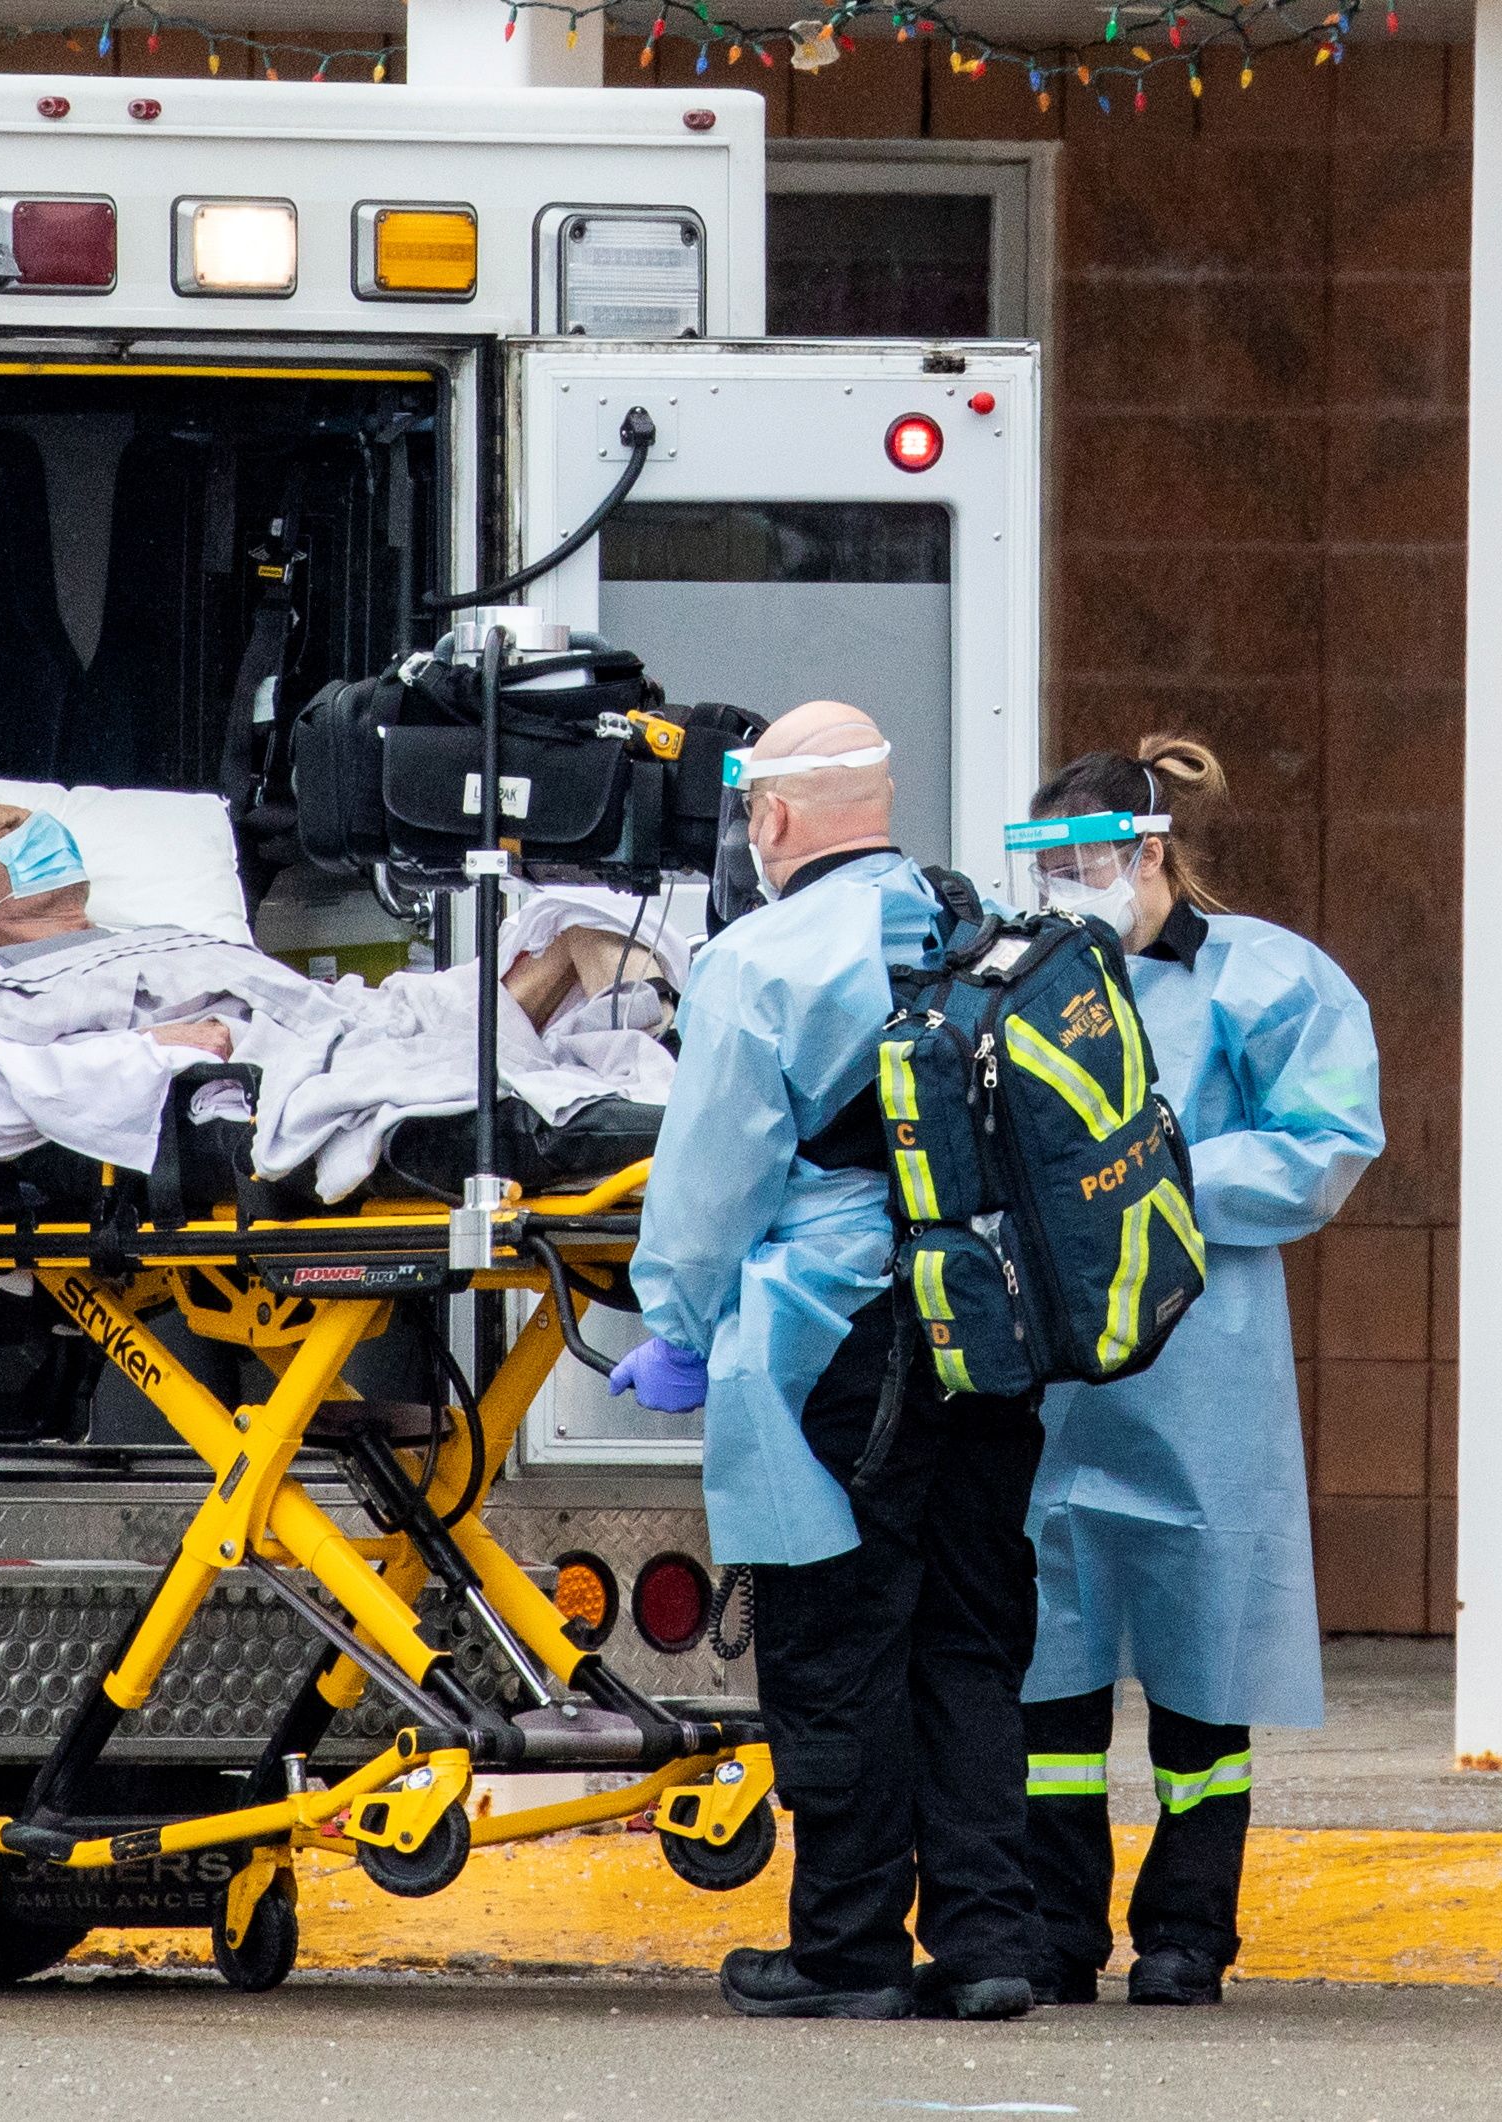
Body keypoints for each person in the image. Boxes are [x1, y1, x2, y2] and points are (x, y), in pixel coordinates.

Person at [609, 701, 1044, 2024]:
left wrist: (673, 1324)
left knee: (835, 1636)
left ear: (777, 817)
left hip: (838, 1333)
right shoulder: (976, 929)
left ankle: (844, 1944)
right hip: (989, 1323)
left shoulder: (758, 959)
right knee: (967, 1637)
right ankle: (986, 1945)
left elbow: (707, 1183)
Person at [1010, 739, 1381, 2010]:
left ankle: (1186, 1931)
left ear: (1151, 850)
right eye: (1046, 871)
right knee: (1045, 1670)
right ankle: (1055, 1926)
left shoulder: (1266, 979)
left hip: (1197, 1362)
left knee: (1200, 1674)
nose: (1066, 892)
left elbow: (1328, 1144)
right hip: (1053, 1370)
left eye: (1086, 866)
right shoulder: (1026, 979)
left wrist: (1163, 1176)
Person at [0, 796, 678, 1198]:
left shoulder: (160, 934)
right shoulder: (9, 993)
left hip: (355, 1024)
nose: (39, 830)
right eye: (9, 831)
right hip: (289, 1076)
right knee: (507, 1103)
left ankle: (680, 1037)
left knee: (573, 924)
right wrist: (150, 1051)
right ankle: (681, 1118)